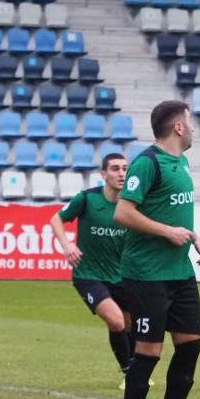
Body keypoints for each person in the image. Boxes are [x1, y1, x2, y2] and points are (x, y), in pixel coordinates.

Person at [113, 101, 200, 399]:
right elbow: (124, 212)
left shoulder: (181, 163)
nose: (194, 127)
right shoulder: (146, 163)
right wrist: (167, 232)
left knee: (190, 348)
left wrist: (193, 236)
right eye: (191, 120)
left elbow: (170, 210)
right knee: (150, 354)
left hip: (180, 272)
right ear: (178, 128)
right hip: (146, 275)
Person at [50, 152, 135, 386]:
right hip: (88, 275)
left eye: (125, 168)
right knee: (116, 321)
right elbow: (56, 219)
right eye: (115, 168)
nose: (121, 173)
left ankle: (135, 371)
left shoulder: (132, 203)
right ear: (103, 174)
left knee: (130, 325)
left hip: (122, 275)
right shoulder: (87, 199)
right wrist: (66, 245)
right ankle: (129, 372)